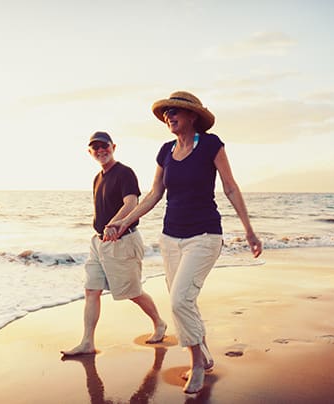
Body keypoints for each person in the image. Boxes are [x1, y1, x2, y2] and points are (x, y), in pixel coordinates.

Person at [105, 91, 262, 394]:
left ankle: (198, 364)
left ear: (193, 116)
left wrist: (249, 230)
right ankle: (203, 351)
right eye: (166, 114)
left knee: (179, 300)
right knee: (185, 300)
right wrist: (124, 221)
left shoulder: (211, 145)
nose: (169, 117)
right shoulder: (165, 151)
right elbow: (153, 194)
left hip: (204, 236)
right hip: (169, 239)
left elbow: (230, 187)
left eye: (175, 111)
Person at [61, 131, 167, 357]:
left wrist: (113, 224)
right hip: (98, 243)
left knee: (133, 292)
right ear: (90, 152)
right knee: (91, 290)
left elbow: (131, 202)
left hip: (123, 241)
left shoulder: (124, 173)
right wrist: (102, 228)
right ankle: (87, 342)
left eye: (104, 146)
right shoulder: (97, 178)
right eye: (95, 148)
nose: (100, 151)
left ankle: (159, 323)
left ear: (113, 147)